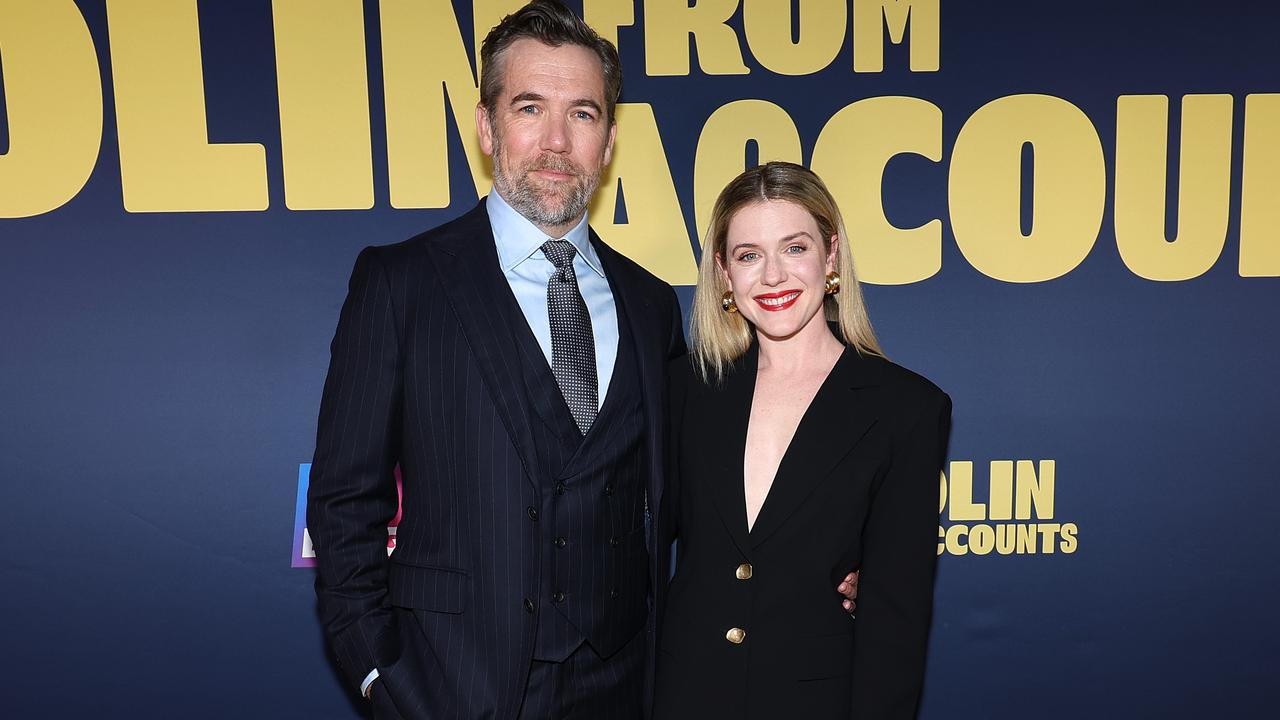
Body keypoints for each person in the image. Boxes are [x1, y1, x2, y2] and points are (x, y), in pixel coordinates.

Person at [306, 4, 858, 719]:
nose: (557, 141)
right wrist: (382, 676)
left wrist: (830, 555)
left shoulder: (652, 303)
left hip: (628, 687)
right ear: (486, 126)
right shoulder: (399, 284)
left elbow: (704, 495)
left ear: (610, 140)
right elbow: (345, 504)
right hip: (451, 686)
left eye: (584, 114)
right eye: (530, 108)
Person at [654, 162, 952, 719]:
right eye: (748, 255)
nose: (772, 276)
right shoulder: (681, 390)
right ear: (723, 272)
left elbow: (896, 625)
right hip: (684, 695)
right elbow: (632, 544)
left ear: (831, 254)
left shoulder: (906, 409)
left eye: (794, 248)